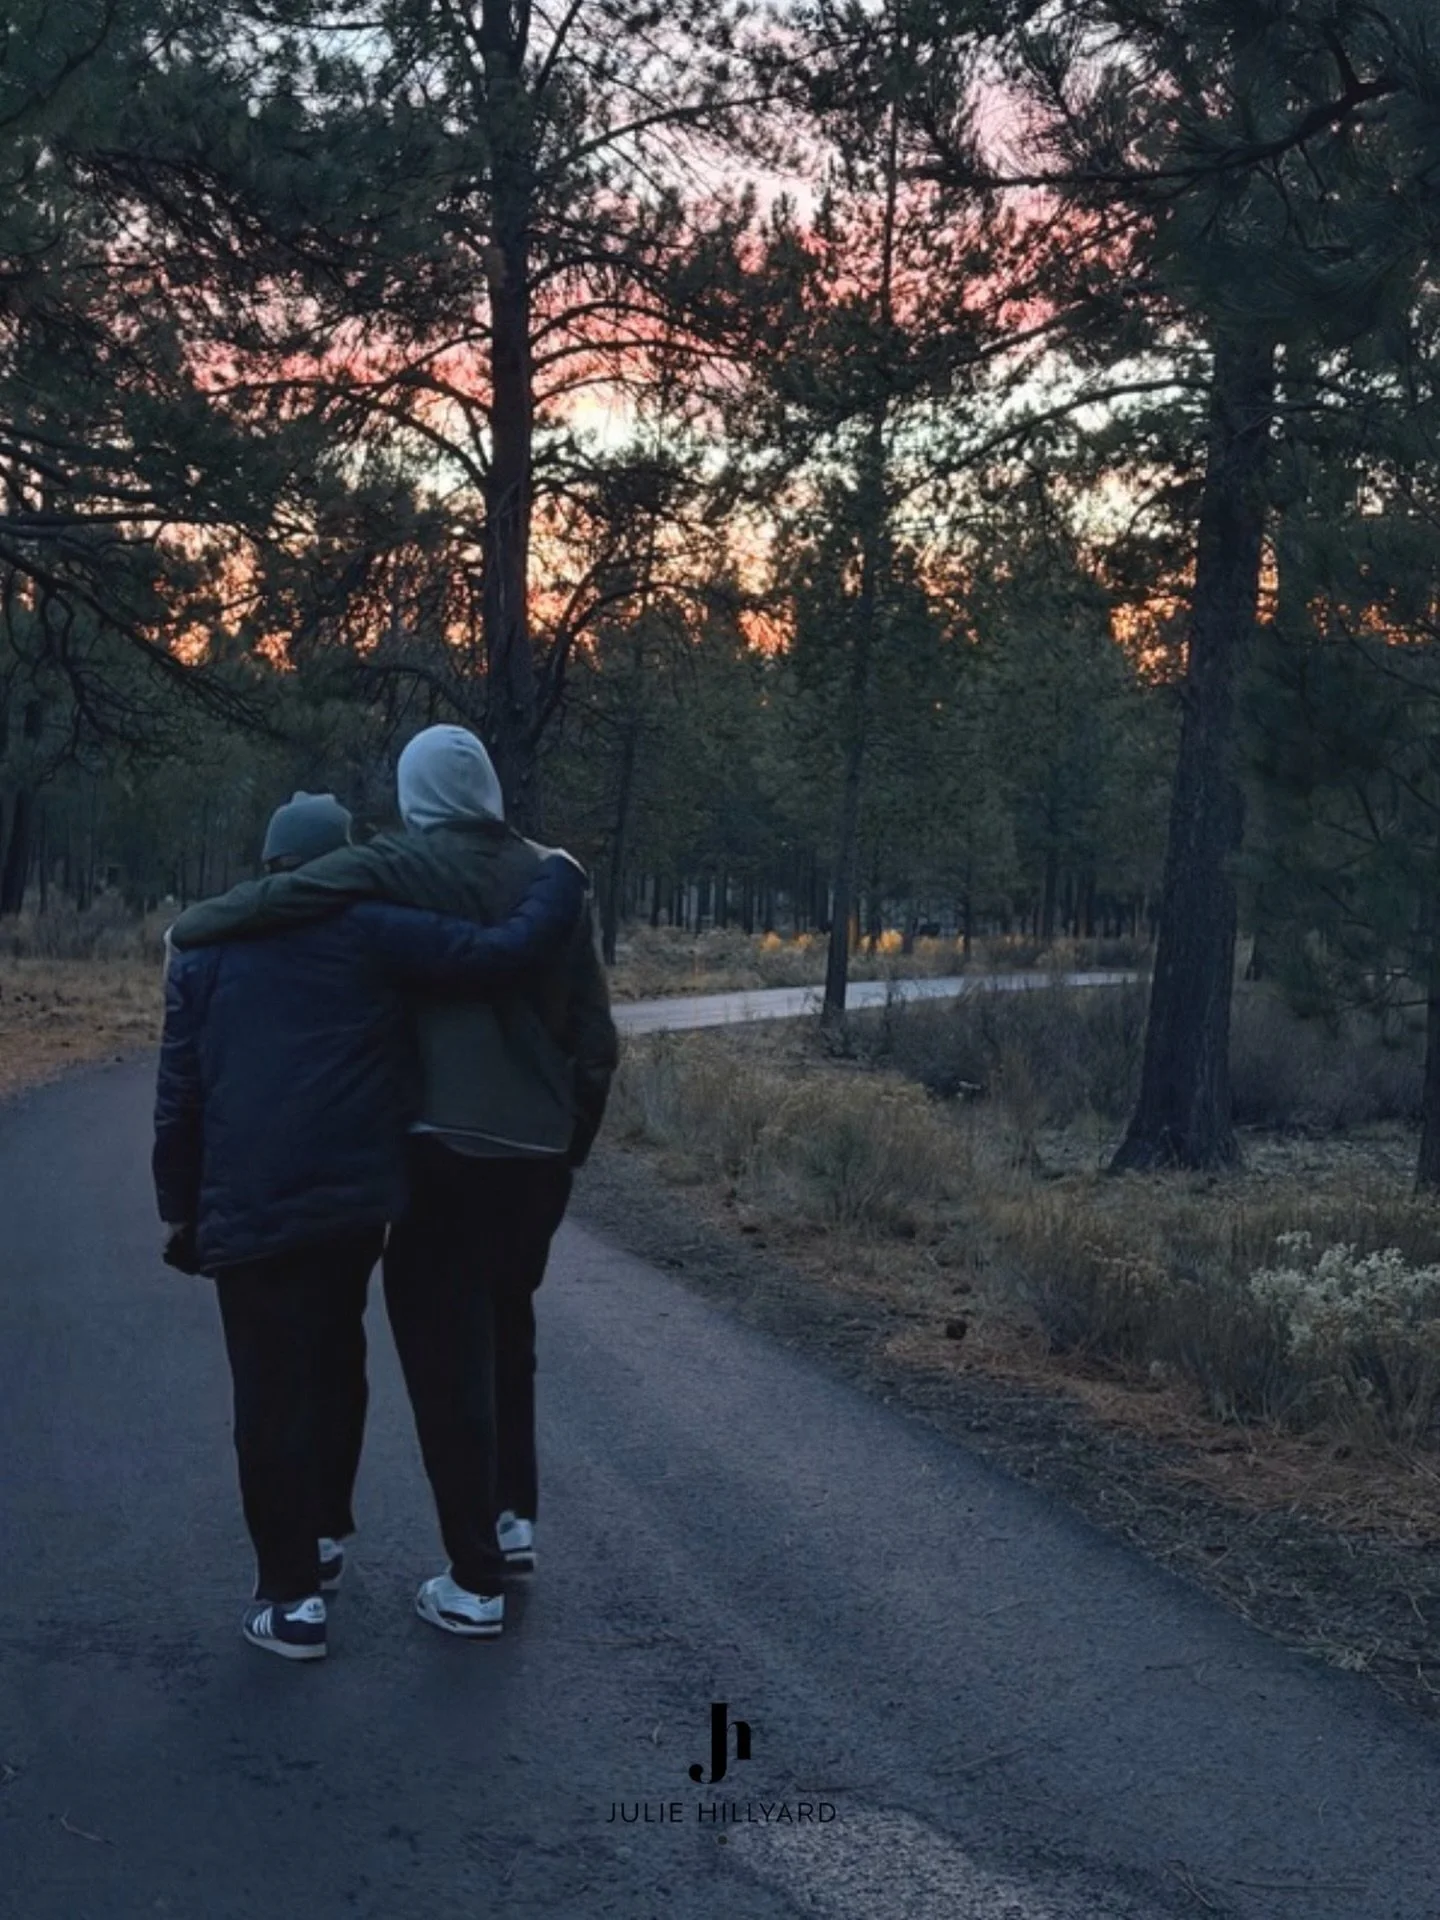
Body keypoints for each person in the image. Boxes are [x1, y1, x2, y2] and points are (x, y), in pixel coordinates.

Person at [169, 730, 619, 1640]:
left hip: (431, 1155)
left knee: (435, 1361)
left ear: (417, 797)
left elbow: (293, 900)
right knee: (507, 1329)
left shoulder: (396, 869)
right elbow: (590, 1032)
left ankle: (455, 1578)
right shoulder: (543, 875)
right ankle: (510, 1518)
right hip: (531, 1158)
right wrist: (571, 1143)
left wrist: (196, 926)